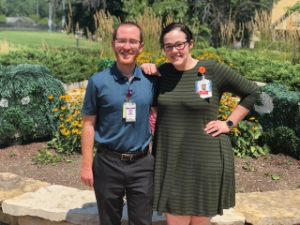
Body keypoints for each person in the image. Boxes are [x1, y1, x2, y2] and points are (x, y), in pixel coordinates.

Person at [141, 22, 260, 225]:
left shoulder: (211, 70)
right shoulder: (162, 74)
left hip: (206, 158)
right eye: (168, 46)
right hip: (171, 160)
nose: (174, 51)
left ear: (191, 44)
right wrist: (144, 68)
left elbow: (252, 92)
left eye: (180, 44)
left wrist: (229, 123)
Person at [80, 21, 157, 225]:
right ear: (113, 44)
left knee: (142, 221)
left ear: (141, 46)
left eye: (133, 41)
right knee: (108, 220)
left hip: (142, 164)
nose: (127, 46)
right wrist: (87, 166)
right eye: (121, 40)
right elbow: (88, 124)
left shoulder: (152, 80)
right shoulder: (98, 81)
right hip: (107, 163)